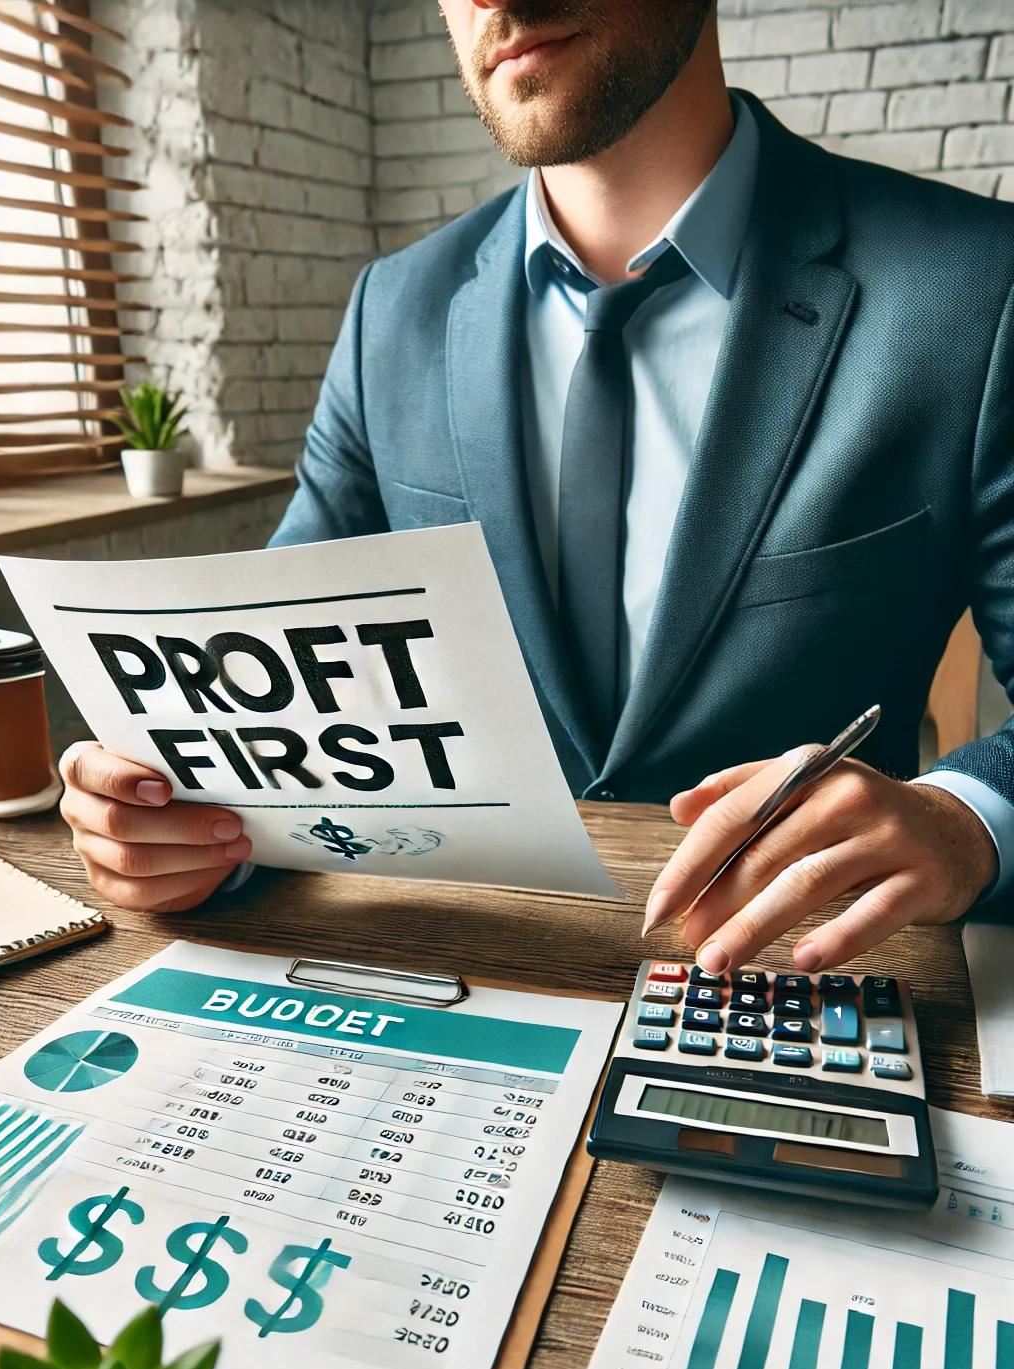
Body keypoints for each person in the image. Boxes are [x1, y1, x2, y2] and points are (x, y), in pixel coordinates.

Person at [60, 0, 1014, 979]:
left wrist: (968, 820)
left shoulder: (981, 288)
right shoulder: (390, 310)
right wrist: (177, 823)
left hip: (801, 982)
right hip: (462, 974)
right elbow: (272, 709)